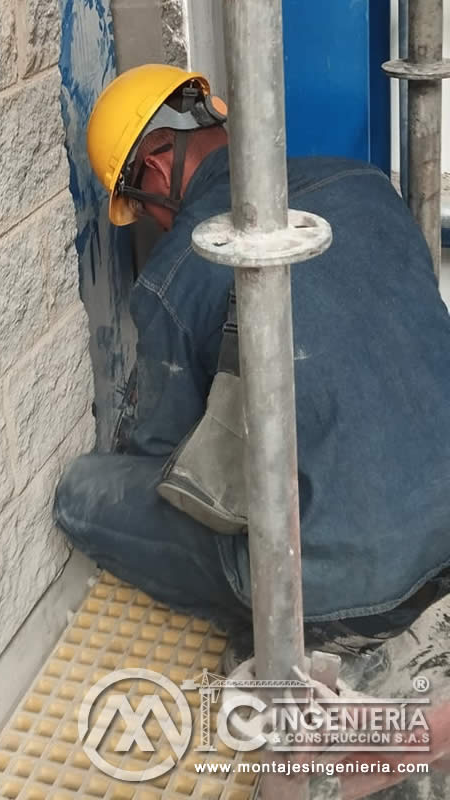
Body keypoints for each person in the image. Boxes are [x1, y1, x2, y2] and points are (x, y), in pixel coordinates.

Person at [54, 64, 450, 667]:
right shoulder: (364, 181)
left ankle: (292, 635)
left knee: (81, 493)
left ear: (155, 168)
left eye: (140, 206)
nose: (154, 223)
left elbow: (172, 466)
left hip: (349, 586)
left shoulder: (175, 273)